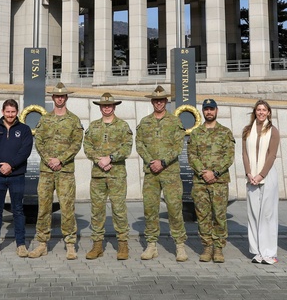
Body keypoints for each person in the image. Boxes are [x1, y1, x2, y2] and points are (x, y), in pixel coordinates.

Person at [29, 83, 84, 259]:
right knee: (44, 207)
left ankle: (70, 244)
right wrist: (49, 160)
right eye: (57, 96)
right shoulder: (45, 119)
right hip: (46, 171)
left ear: (66, 98)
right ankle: (42, 244)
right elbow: (39, 142)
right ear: (53, 98)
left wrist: (60, 159)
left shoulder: (73, 120)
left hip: (65, 170)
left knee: (67, 207)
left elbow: (77, 143)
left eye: (62, 96)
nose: (60, 98)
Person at [136, 85, 188, 262]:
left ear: (166, 101)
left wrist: (163, 162)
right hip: (151, 172)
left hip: (170, 172)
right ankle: (151, 245)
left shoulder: (175, 122)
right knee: (150, 208)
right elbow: (140, 144)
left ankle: (180, 245)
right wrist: (152, 161)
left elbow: (178, 146)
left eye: (161, 100)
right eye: (156, 100)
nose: (159, 103)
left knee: (174, 208)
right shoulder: (144, 122)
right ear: (152, 102)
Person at [83, 92, 134, 260]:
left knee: (119, 210)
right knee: (97, 211)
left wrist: (111, 158)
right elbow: (87, 146)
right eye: (104, 105)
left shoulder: (122, 126)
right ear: (100, 107)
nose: (106, 107)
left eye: (109, 105)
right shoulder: (94, 126)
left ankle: (123, 245)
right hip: (98, 175)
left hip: (116, 175)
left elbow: (127, 147)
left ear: (114, 107)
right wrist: (99, 161)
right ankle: (97, 246)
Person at [0, 99, 34, 257]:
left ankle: (21, 244)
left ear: (17, 112)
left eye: (13, 111)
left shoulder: (24, 130)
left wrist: (11, 165)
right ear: (3, 112)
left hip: (17, 176)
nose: (10, 115)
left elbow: (25, 150)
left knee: (18, 210)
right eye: (7, 111)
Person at [187, 98, 235, 263]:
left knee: (219, 215)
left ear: (216, 111)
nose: (209, 112)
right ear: (203, 111)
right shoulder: (195, 133)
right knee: (203, 216)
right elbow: (191, 155)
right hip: (200, 182)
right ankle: (207, 247)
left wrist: (214, 172)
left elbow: (229, 156)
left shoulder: (225, 132)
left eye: (211, 109)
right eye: (206, 109)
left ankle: (219, 248)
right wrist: (203, 172)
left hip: (219, 181)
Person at [242, 99, 280, 265]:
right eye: (258, 110)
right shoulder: (247, 130)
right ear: (255, 112)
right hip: (251, 178)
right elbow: (244, 154)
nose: (261, 112)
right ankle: (257, 251)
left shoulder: (273, 131)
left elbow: (271, 155)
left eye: (264, 110)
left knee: (268, 215)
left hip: (267, 176)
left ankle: (269, 252)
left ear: (269, 112)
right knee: (254, 214)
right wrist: (249, 173)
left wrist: (261, 175)